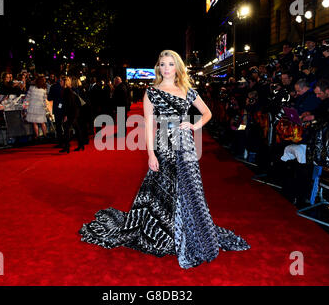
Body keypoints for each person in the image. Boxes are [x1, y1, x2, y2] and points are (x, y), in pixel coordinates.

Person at [79, 50, 250, 269]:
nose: (166, 68)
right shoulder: (151, 92)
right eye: (162, 64)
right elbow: (149, 125)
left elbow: (207, 113)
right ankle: (165, 231)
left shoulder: (187, 90)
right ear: (158, 67)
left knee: (190, 189)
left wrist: (194, 125)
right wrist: (151, 154)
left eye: (170, 64)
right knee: (163, 189)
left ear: (177, 67)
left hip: (186, 146)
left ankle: (189, 228)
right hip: (163, 146)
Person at [26, 75, 48, 139]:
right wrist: (45, 107)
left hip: (32, 107)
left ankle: (37, 136)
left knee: (34, 123)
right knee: (42, 122)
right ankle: (45, 135)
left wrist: (25, 103)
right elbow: (44, 100)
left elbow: (27, 97)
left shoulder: (31, 88)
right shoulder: (44, 89)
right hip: (40, 107)